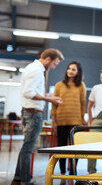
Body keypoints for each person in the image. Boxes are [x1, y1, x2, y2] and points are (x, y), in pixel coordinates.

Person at [12, 48, 64, 185]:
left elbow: (32, 90)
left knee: (26, 146)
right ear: (48, 59)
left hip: (29, 112)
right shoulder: (36, 70)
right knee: (28, 148)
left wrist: (46, 95)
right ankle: (25, 180)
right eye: (54, 64)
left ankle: (18, 179)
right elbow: (28, 92)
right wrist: (49, 100)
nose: (54, 67)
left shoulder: (33, 68)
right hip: (33, 114)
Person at [51, 61, 86, 185]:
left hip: (76, 121)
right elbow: (54, 103)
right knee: (61, 149)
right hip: (61, 120)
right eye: (69, 69)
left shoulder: (81, 85)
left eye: (73, 69)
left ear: (78, 72)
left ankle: (72, 175)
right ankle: (62, 175)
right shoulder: (59, 85)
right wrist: (53, 120)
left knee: (75, 150)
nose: (70, 71)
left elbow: (83, 104)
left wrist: (83, 119)